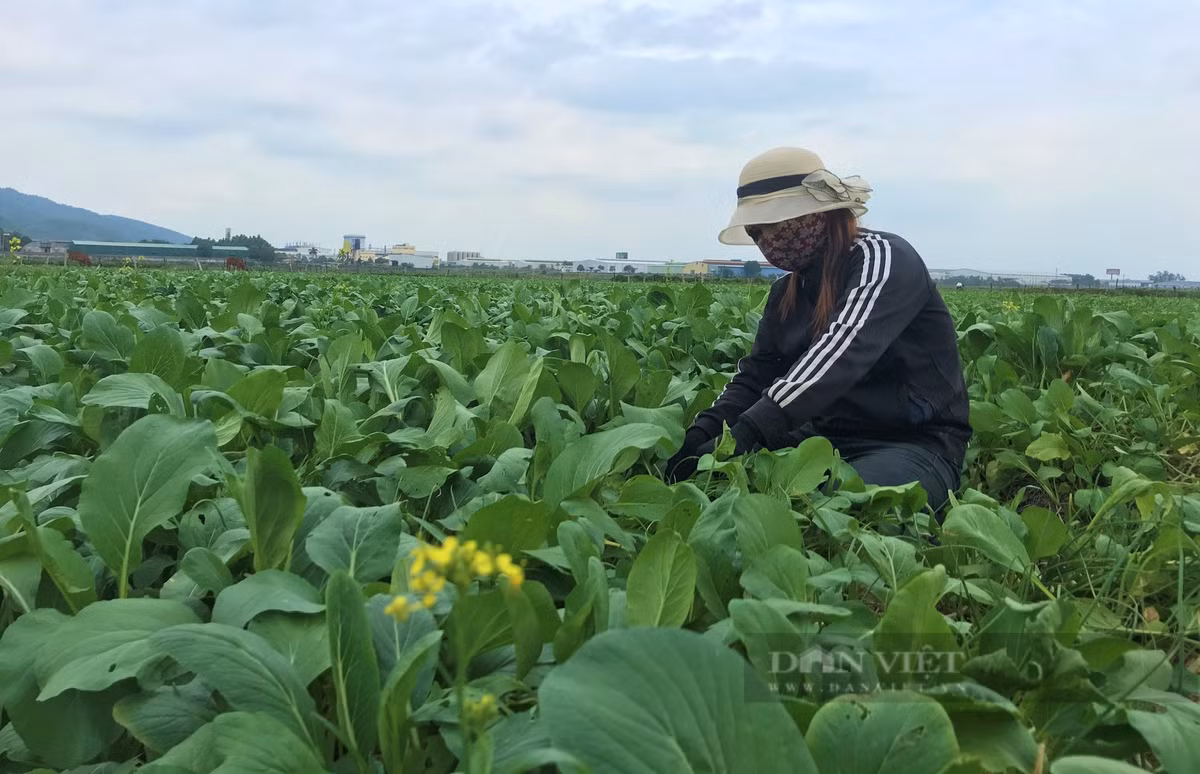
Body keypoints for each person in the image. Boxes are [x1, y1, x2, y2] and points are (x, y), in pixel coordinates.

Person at [664, 147, 972, 511]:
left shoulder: (883, 259)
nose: (765, 242)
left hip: (911, 442)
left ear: (816, 215)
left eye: (771, 225)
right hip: (821, 438)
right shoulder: (787, 292)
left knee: (856, 508)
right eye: (755, 232)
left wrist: (749, 432)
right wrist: (704, 433)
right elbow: (756, 376)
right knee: (729, 493)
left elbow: (841, 355)